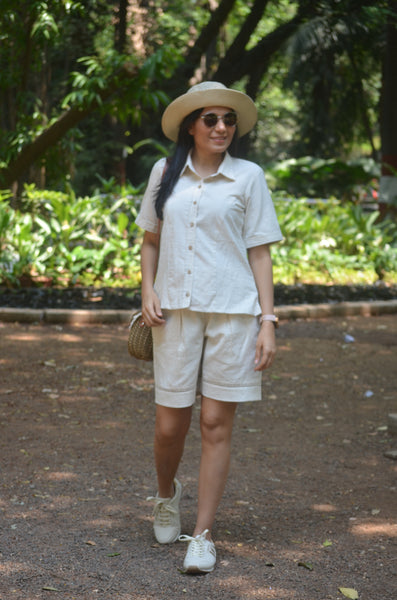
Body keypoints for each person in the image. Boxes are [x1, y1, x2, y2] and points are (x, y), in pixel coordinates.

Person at [135, 81, 282, 573]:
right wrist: (147, 291)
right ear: (191, 126)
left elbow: (259, 251)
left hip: (234, 314)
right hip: (173, 312)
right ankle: (164, 495)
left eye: (229, 120)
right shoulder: (164, 172)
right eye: (211, 119)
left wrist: (268, 321)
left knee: (217, 425)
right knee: (168, 426)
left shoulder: (249, 177)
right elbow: (150, 241)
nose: (222, 128)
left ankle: (202, 534)